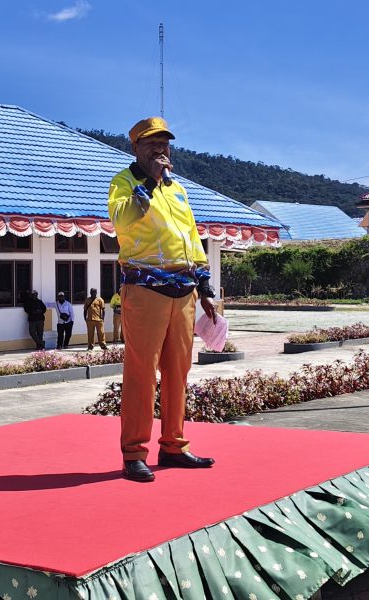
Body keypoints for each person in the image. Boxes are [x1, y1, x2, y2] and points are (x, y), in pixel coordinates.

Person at [108, 116, 217, 482]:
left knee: (178, 372)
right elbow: (122, 222)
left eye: (165, 144)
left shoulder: (178, 190)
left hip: (183, 292)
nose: (161, 150)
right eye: (152, 143)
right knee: (141, 373)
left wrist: (205, 288)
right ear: (135, 147)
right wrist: (149, 183)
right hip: (145, 290)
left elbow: (191, 237)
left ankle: (174, 445)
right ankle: (134, 452)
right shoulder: (123, 184)